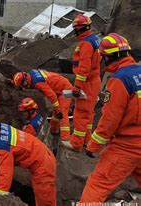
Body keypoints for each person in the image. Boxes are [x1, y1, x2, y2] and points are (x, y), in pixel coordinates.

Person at [78, 33, 141, 203]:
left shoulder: (119, 80)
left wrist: (93, 146)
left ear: (108, 57)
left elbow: (110, 120)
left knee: (97, 185)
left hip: (127, 146)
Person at [0, 119, 56, 206]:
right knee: (41, 196)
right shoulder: (1, 127)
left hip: (43, 164)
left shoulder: (2, 147)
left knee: (45, 200)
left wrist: (0, 196)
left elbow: (5, 172)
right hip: (41, 152)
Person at [64, 14, 102, 151]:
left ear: (78, 29)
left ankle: (76, 143)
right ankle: (87, 140)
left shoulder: (86, 43)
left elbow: (84, 67)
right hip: (94, 81)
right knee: (89, 114)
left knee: (80, 113)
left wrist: (77, 86)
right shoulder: (94, 40)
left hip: (87, 83)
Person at [12, 69, 72, 140]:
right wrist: (12, 82)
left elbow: (52, 95)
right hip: (60, 85)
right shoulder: (30, 73)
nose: (24, 87)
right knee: (56, 113)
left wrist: (57, 109)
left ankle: (65, 138)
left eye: (23, 85)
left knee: (62, 113)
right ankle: (54, 130)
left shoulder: (38, 83)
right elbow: (20, 79)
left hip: (65, 90)